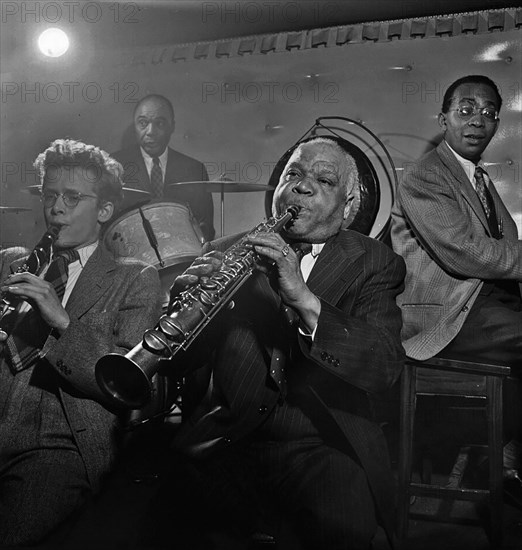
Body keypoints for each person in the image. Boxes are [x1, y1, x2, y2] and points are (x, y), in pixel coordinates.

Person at [153, 136, 405, 550]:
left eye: (324, 180)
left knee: (345, 528)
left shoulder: (374, 261)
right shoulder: (223, 250)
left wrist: (304, 301)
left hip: (320, 443)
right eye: (294, 174)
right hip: (226, 438)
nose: (302, 187)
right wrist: (183, 309)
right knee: (170, 523)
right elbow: (179, 370)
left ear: (350, 204)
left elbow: (383, 366)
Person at [0, 139, 163, 546]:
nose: (56, 209)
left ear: (105, 211)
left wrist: (61, 320)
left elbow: (127, 386)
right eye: (50, 195)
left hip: (60, 443)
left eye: (73, 198)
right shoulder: (9, 262)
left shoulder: (134, 278)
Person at [391, 76, 522, 486]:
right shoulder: (425, 175)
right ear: (443, 118)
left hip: (486, 307)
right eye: (465, 110)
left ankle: (504, 459)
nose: (477, 121)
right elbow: (465, 251)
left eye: (488, 113)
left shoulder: (479, 179)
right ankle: (505, 461)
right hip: (446, 315)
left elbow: (507, 248)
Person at [112, 93, 215, 241]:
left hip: (182, 257)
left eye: (159, 123)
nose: (150, 132)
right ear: (134, 125)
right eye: (143, 123)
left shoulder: (194, 169)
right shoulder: (114, 165)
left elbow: (206, 229)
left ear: (172, 126)